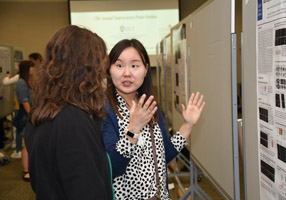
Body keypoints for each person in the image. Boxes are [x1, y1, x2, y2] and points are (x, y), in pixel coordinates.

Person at [102, 39, 205, 200]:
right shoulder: (104, 110)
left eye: (135, 65)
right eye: (119, 65)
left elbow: (162, 156)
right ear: (109, 70)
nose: (127, 73)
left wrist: (188, 125)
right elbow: (111, 168)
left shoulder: (149, 105)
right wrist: (133, 130)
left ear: (145, 70)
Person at [25, 25, 113, 200]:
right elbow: (88, 191)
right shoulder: (73, 120)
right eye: (98, 63)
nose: (102, 72)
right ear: (86, 69)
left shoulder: (41, 112)